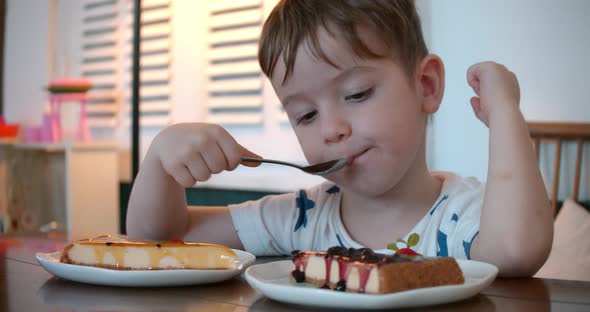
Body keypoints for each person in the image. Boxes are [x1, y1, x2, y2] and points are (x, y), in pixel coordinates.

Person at [126, 0, 553, 277]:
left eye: (357, 94)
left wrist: (506, 116)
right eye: (306, 115)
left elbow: (516, 252)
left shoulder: (462, 218)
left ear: (425, 85)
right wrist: (160, 160)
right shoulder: (302, 217)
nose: (331, 129)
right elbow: (161, 237)